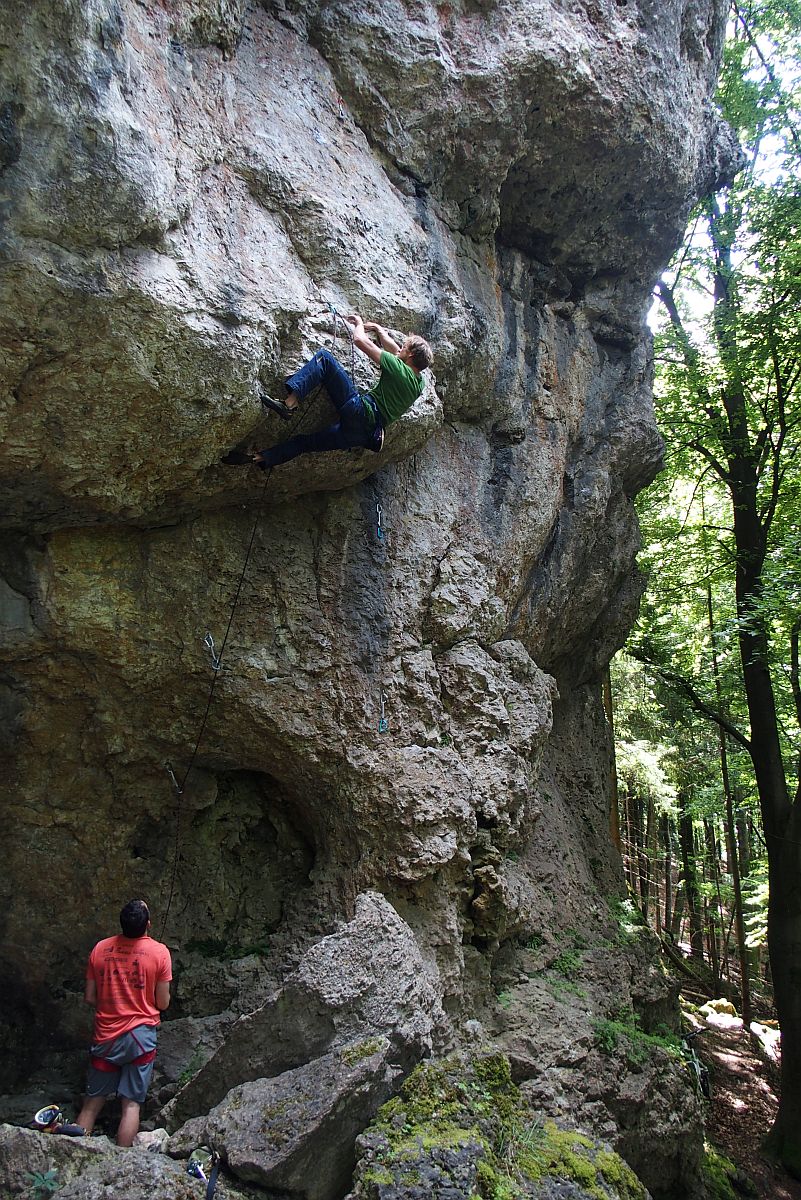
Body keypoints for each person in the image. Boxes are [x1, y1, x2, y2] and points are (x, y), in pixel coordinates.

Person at [223, 314, 433, 469]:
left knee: (325, 359)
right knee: (304, 444)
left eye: (404, 348)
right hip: (361, 435)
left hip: (359, 411)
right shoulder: (418, 382)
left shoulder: (398, 368)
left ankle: (289, 404)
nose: (399, 349)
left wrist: (360, 325)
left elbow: (360, 341)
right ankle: (259, 458)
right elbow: (395, 350)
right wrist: (380, 331)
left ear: (411, 355)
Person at [74, 899, 171, 1146]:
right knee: (131, 1105)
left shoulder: (100, 949)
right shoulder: (159, 953)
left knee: (92, 1103)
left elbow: (89, 997)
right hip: (140, 1038)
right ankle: (122, 1165)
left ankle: (73, 1151)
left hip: (106, 1036)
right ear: (148, 924)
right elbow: (163, 1003)